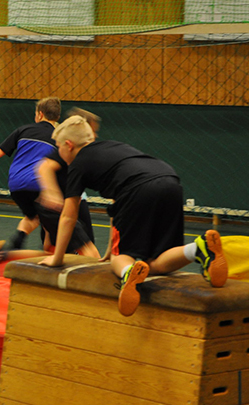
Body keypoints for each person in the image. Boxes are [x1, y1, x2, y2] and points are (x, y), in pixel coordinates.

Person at [39, 115, 228, 316]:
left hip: (138, 189)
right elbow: (117, 207)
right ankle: (198, 248)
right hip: (170, 181)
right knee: (156, 263)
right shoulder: (113, 147)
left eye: (58, 147)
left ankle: (127, 273)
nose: (59, 152)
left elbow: (68, 216)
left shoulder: (78, 164)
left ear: (68, 145)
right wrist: (110, 248)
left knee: (120, 259)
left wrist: (57, 259)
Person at [0, 97, 62, 252]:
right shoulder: (58, 137)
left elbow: (0, 150)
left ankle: (18, 240)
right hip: (39, 183)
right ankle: (48, 254)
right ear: (57, 117)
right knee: (49, 219)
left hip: (16, 184)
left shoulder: (23, 130)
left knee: (33, 217)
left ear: (40, 114)